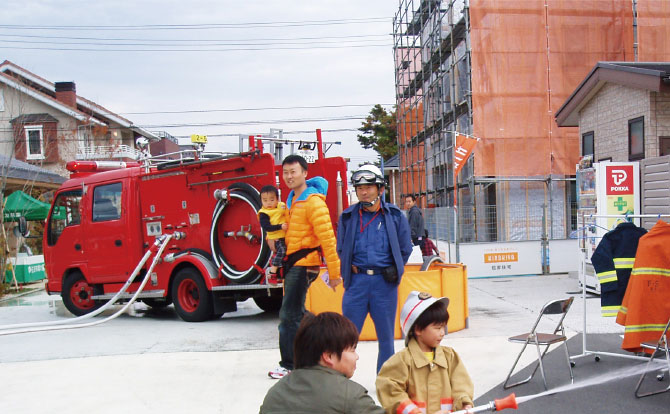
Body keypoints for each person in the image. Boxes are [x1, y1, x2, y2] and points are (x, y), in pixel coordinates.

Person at [268, 154, 342, 379]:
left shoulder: (313, 201)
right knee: (296, 312)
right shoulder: (290, 200)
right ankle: (327, 338)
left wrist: (334, 272)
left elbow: (328, 238)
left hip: (304, 264)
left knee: (288, 315)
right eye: (286, 172)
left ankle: (289, 363)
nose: (289, 176)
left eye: (294, 172)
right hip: (293, 262)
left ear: (305, 173)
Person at [337, 164, 413, 373]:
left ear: (380, 188)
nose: (363, 191)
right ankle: (341, 379)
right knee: (347, 336)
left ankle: (385, 382)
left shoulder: (395, 216)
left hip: (384, 285)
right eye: (359, 187)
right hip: (357, 283)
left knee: (386, 338)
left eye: (369, 187)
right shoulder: (348, 216)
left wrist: (395, 268)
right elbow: (341, 247)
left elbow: (405, 248)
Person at [260, 312, 385, 414]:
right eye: (352, 350)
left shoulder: (276, 392)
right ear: (328, 356)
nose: (356, 357)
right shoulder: (350, 395)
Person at [376, 291, 474, 414]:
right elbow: (389, 389)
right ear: (418, 329)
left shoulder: (450, 357)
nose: (442, 332)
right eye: (438, 328)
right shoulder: (402, 361)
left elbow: (461, 384)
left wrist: (465, 404)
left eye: (444, 327)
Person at [258, 185, 288, 284]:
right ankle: (272, 271)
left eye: (271, 199)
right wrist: (280, 227)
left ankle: (281, 274)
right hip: (275, 239)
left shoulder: (282, 206)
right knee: (282, 251)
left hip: (285, 236)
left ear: (277, 199)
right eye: (265, 200)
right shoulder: (264, 213)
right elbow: (266, 227)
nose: (268, 203)